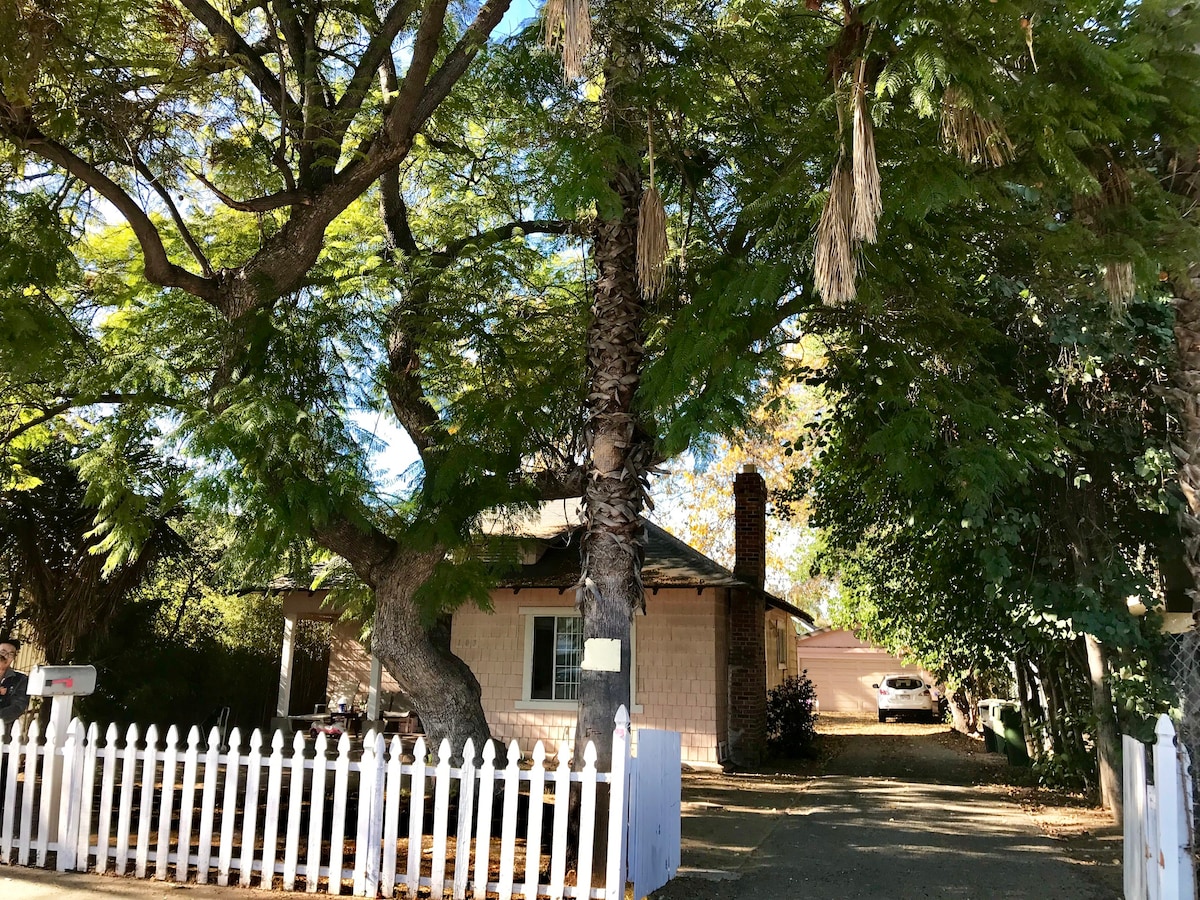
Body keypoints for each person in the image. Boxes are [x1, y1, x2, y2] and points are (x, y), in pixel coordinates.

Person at [0, 639, 29, 727]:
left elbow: (18, 706)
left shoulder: (20, 680)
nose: (6, 656)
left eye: (11, 654)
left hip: (5, 733)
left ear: (13, 658)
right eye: (3, 652)